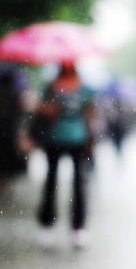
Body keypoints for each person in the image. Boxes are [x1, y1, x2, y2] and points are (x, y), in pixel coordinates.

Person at [36, 62, 95, 248]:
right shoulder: (51, 87)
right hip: (54, 139)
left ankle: (78, 227)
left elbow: (90, 114)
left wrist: (90, 139)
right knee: (50, 181)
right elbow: (40, 109)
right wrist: (48, 109)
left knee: (79, 184)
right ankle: (47, 223)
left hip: (78, 140)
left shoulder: (85, 89)